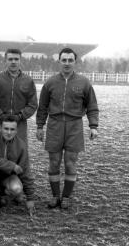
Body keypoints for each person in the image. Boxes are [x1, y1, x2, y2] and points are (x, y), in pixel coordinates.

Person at [36, 47, 99, 209]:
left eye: (70, 60)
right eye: (64, 60)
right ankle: (55, 196)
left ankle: (66, 197)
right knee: (54, 162)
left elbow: (92, 105)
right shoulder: (50, 82)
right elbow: (42, 106)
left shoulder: (84, 82)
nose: (67, 63)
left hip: (74, 126)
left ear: (75, 61)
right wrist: (40, 126)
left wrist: (93, 126)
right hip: (55, 125)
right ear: (59, 61)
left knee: (70, 162)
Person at [0, 115, 35, 217]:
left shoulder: (21, 145)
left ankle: (3, 193)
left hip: (7, 176)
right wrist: (12, 166)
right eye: (6, 128)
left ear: (16, 131)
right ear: (1, 128)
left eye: (12, 129)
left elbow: (25, 169)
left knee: (17, 189)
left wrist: (30, 197)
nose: (9, 132)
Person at [0, 48, 38, 143]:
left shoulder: (28, 81)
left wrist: (20, 116)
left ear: (20, 60)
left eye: (16, 59)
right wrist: (0, 115)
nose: (13, 62)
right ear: (5, 61)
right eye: (10, 59)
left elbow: (33, 104)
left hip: (19, 123)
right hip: (0, 122)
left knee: (19, 149)